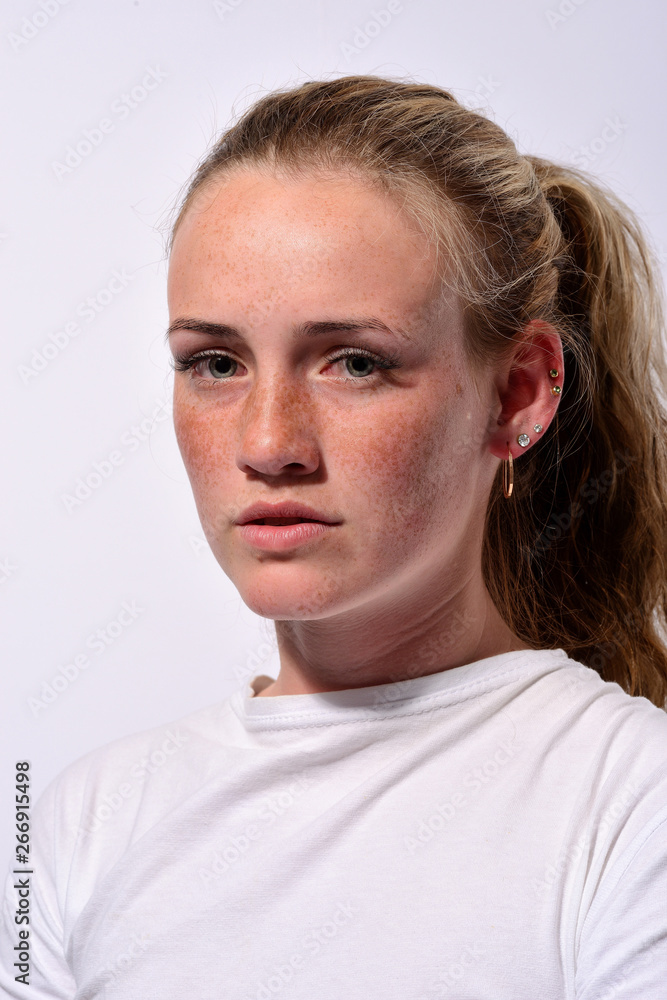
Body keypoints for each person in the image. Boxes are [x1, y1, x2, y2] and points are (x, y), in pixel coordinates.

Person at [2, 74, 667, 998]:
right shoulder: (76, 822)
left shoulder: (632, 804)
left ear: (518, 393)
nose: (267, 444)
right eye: (215, 363)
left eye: (353, 362)